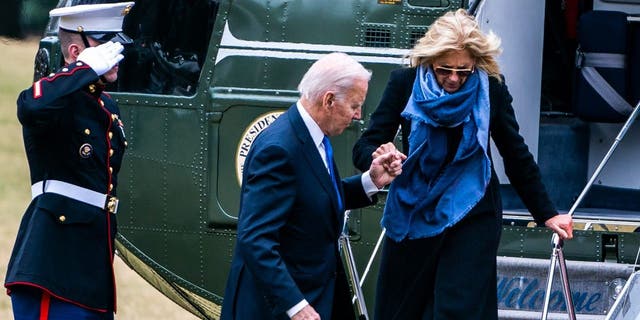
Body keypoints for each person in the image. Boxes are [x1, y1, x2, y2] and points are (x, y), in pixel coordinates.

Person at [351, 9, 574, 320]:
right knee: (402, 309)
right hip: (416, 208)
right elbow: (364, 146)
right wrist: (378, 160)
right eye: (445, 70)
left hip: (473, 210)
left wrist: (547, 213)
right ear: (429, 60)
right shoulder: (405, 83)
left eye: (463, 71)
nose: (454, 79)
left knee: (459, 308)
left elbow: (515, 153)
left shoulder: (490, 88)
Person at [221, 52, 406, 320]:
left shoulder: (312, 135)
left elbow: (312, 198)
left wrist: (372, 180)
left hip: (317, 294)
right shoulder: (279, 149)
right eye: (355, 105)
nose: (358, 115)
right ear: (329, 100)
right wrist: (295, 305)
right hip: (279, 308)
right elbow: (255, 238)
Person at [4, 2, 134, 319]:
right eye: (106, 45)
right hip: (54, 266)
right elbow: (30, 106)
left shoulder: (107, 106)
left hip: (92, 264)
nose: (116, 53)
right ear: (76, 51)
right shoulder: (55, 100)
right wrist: (82, 69)